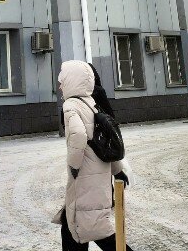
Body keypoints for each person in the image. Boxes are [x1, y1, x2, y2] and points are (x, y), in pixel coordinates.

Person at [53, 60, 134, 251]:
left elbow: (78, 135)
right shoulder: (91, 103)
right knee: (75, 224)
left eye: (62, 81)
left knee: (93, 228)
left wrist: (74, 166)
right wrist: (117, 170)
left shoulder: (71, 105)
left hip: (84, 178)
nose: (60, 86)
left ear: (72, 80)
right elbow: (106, 140)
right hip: (98, 174)